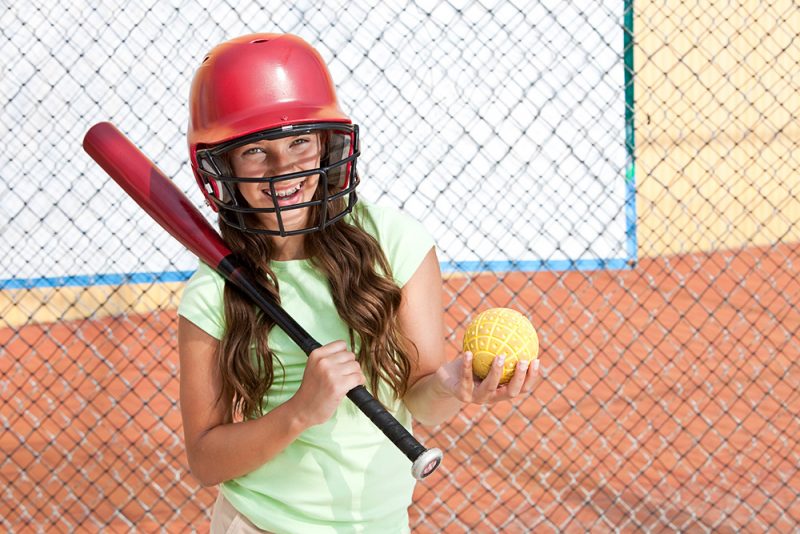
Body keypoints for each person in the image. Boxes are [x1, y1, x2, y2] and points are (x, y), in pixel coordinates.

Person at [177, 33, 540, 533]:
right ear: (222, 165)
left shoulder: (394, 243)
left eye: (299, 141)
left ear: (328, 143)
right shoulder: (215, 288)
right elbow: (205, 460)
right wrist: (301, 411)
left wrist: (450, 386)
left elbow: (422, 401)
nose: (283, 169)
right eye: (255, 150)